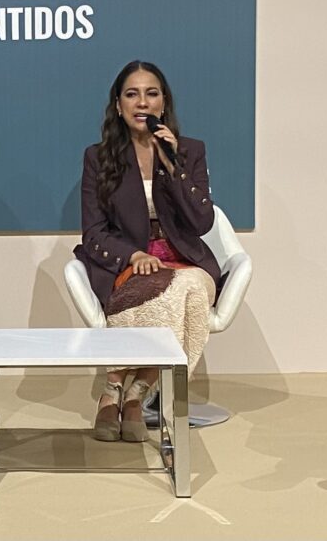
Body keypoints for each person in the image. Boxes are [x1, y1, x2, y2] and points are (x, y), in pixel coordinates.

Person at [75, 60, 221, 442]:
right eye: (132, 94)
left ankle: (129, 393)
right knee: (164, 292)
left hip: (184, 259)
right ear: (118, 104)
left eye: (151, 93)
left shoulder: (190, 151)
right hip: (132, 261)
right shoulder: (98, 157)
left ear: (163, 102)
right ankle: (123, 392)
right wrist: (132, 256)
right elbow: (93, 231)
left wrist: (174, 166)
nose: (142, 102)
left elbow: (202, 220)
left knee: (185, 288)